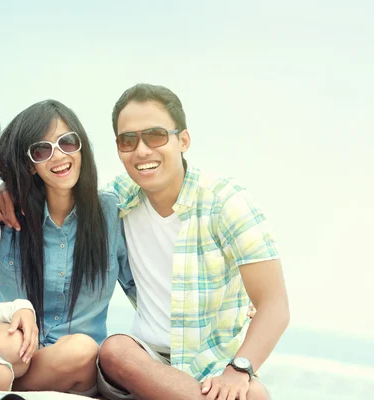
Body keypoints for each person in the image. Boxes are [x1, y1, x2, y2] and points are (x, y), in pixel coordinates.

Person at [94, 84, 290, 400]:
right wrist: (6, 193)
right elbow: (59, 200)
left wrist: (238, 370)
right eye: (128, 140)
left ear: (183, 140)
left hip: (215, 365)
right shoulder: (115, 201)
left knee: (254, 395)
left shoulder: (227, 201)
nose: (142, 150)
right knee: (115, 350)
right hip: (148, 361)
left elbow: (275, 305)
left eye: (155, 136)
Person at [0, 100, 133, 396]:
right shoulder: (2, 215)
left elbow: (143, 290)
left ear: (81, 146)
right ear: (29, 165)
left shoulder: (111, 215)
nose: (59, 155)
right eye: (42, 150)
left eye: (67, 142)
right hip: (12, 353)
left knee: (81, 350)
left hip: (72, 368)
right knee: (9, 341)